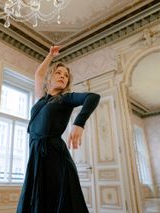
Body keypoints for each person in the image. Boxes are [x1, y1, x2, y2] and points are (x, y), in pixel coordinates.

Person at [17, 46, 100, 213]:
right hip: (36, 156)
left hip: (55, 157)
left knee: (57, 203)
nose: (63, 76)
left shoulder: (66, 98)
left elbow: (93, 97)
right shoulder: (41, 99)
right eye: (58, 73)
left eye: (66, 76)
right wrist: (50, 56)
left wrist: (79, 123)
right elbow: (38, 75)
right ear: (50, 79)